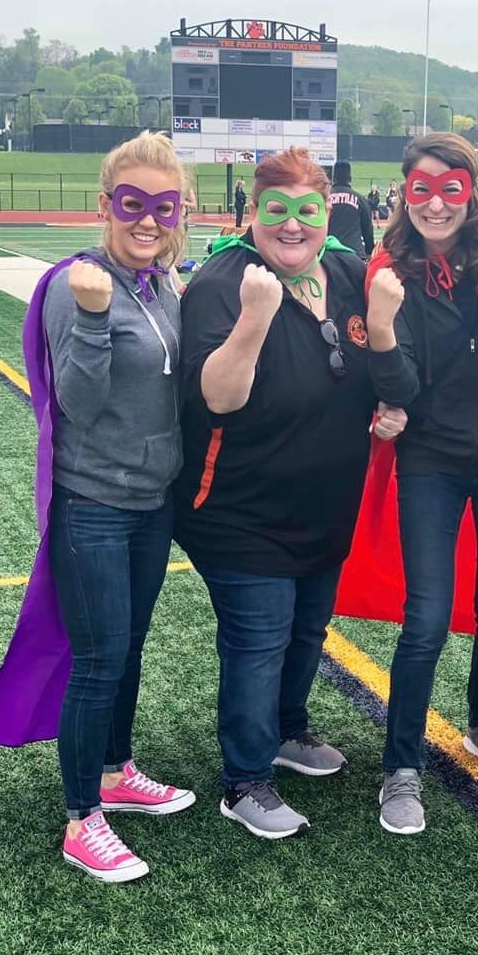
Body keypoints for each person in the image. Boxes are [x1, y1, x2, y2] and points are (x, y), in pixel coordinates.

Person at [174, 146, 406, 839]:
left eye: (307, 211)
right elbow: (215, 398)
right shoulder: (223, 282)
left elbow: (387, 360)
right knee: (258, 638)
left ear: (325, 212)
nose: (293, 227)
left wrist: (389, 408)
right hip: (240, 509)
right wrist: (254, 316)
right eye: (276, 211)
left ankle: (285, 729)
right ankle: (244, 780)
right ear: (251, 213)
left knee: (308, 629)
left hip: (325, 503)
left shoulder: (345, 271)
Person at [364, 133, 478, 836]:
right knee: (427, 618)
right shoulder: (396, 270)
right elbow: (402, 387)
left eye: (451, 188)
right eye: (421, 189)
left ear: (472, 191)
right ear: (402, 194)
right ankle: (400, 767)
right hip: (432, 460)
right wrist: (382, 322)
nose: (436, 204)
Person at [44, 131, 196, 882]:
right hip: (95, 504)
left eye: (163, 207)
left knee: (128, 648)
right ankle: (81, 818)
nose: (149, 221)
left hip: (151, 504)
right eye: (134, 205)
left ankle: (114, 769)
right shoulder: (81, 284)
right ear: (105, 205)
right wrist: (96, 318)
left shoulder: (162, 284)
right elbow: (76, 403)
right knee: (100, 660)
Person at [327, 158, 375, 259]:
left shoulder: (324, 198)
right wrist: (369, 252)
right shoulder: (360, 199)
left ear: (333, 178)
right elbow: (368, 229)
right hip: (355, 254)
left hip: (328, 255)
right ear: (350, 178)